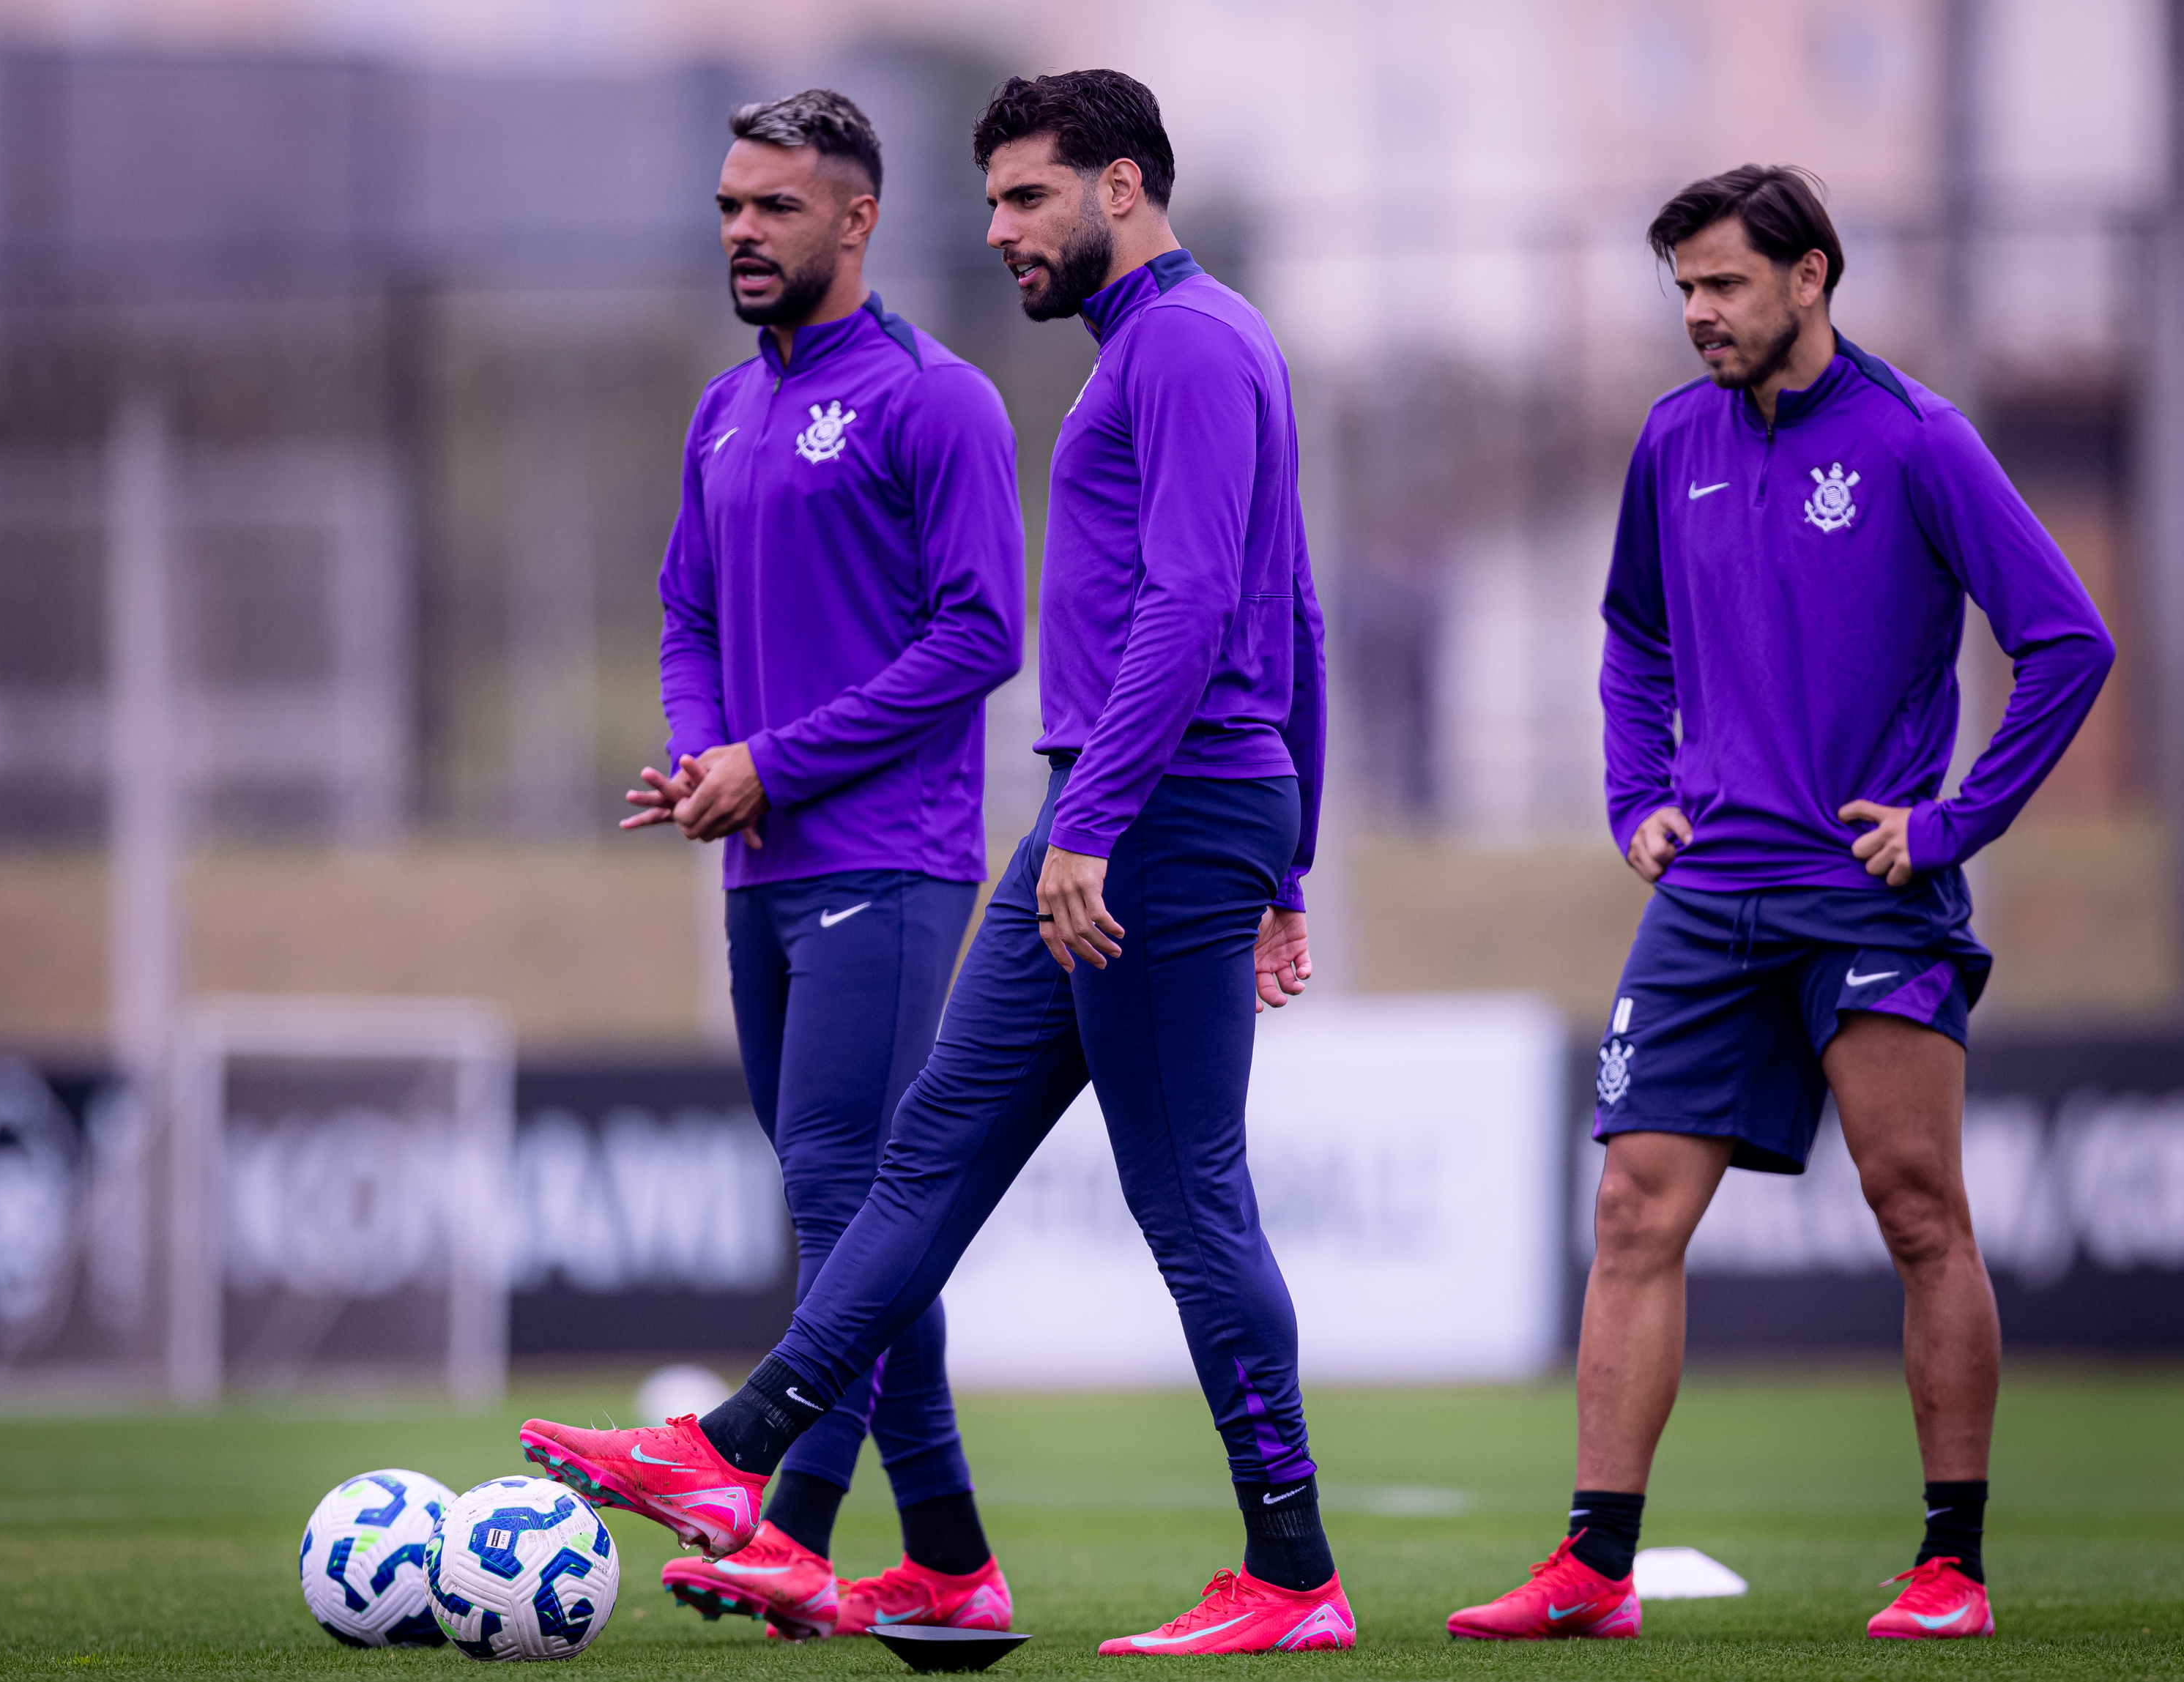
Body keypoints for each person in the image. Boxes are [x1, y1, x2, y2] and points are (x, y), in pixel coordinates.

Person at [523, 68, 1351, 1658]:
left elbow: (1194, 610)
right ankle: (737, 1457)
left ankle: (1295, 1573)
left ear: (1120, 187)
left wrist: (1105, 824)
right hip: (1148, 804)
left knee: (1188, 1198)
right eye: (991, 203)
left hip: (1150, 810)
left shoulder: (1180, 342)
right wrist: (1290, 856)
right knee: (926, 1166)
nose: (1002, 233)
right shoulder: (1183, 346)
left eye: (1028, 198)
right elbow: (1292, 608)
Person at [1446, 165, 2114, 1644]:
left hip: (1868, 904)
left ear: (1810, 277)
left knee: (1918, 1210)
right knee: (1631, 1211)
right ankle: (1594, 1570)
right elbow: (1631, 633)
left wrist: (1952, 823)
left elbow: (2069, 642)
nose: (1696, 314)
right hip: (1708, 897)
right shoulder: (1671, 437)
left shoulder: (1919, 439)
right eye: (1682, 287)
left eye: (1723, 285)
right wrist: (1635, 796)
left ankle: (1951, 1568)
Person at [601, 89, 1026, 1642]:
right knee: (842, 1221)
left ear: (856, 219)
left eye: (775, 207)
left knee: (850, 1203)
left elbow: (983, 632)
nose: (742, 232)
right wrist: (712, 751)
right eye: (729, 205)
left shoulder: (936, 398)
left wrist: (772, 765)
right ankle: (957, 1565)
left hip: (894, 863)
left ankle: (793, 1527)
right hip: (763, 872)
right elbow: (686, 611)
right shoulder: (725, 408)